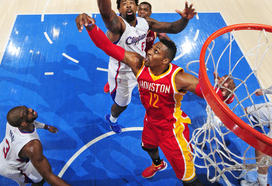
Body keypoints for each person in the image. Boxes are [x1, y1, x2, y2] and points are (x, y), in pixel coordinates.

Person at [77, 13, 235, 186]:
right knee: (148, 147)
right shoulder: (138, 63)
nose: (149, 51)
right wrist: (91, 26)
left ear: (165, 60)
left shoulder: (179, 78)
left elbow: (211, 97)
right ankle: (158, 164)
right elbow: (106, 45)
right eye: (152, 49)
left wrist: (225, 93)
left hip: (172, 130)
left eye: (155, 51)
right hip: (151, 121)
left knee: (189, 181)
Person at [75, 0, 197, 135]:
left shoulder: (145, 22)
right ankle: (112, 118)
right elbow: (105, 11)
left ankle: (112, 87)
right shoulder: (117, 25)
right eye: (124, 3)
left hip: (141, 66)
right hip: (122, 71)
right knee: (122, 104)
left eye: (131, 2)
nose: (128, 4)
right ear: (119, 10)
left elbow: (173, 28)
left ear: (137, 6)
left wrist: (185, 19)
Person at [0, 106, 72, 186]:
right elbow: (48, 176)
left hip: (1, 153)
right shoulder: (31, 146)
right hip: (11, 168)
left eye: (26, 108)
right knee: (40, 180)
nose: (31, 109)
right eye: (27, 112)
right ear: (24, 124)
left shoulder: (13, 123)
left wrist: (46, 127)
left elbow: (31, 122)